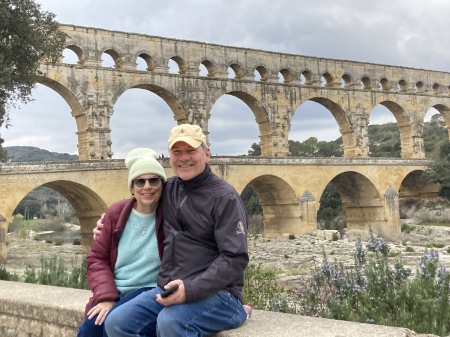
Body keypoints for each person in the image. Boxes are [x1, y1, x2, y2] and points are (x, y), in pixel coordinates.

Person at [101, 124, 250, 337]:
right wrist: (108, 221)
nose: (184, 158)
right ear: (169, 156)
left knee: (170, 322)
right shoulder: (169, 188)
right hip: (170, 287)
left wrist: (190, 290)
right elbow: (140, 200)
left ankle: (239, 312)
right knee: (117, 322)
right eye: (177, 152)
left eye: (191, 151)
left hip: (221, 294)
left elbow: (235, 258)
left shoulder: (225, 198)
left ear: (207, 154)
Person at [78, 148, 167, 337]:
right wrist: (107, 296)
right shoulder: (116, 213)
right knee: (88, 331)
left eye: (154, 180)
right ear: (132, 187)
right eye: (140, 181)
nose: (147, 186)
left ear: (162, 183)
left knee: (112, 326)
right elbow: (97, 259)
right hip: (115, 288)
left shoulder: (171, 213)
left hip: (149, 290)